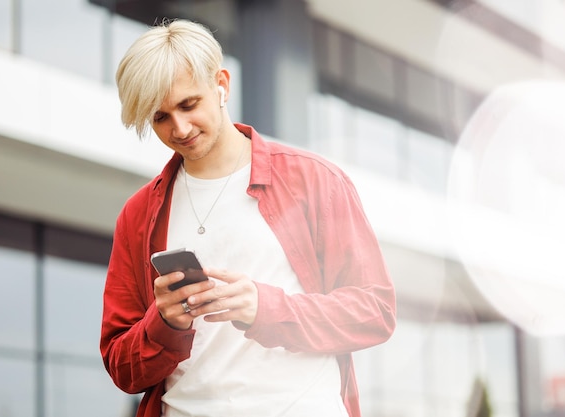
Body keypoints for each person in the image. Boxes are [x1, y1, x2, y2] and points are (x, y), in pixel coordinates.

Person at [100, 19, 396, 417]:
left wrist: (267, 308)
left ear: (221, 84)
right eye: (160, 118)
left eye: (189, 105)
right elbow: (121, 367)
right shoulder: (138, 214)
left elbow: (375, 311)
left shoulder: (313, 180)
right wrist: (164, 323)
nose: (180, 128)